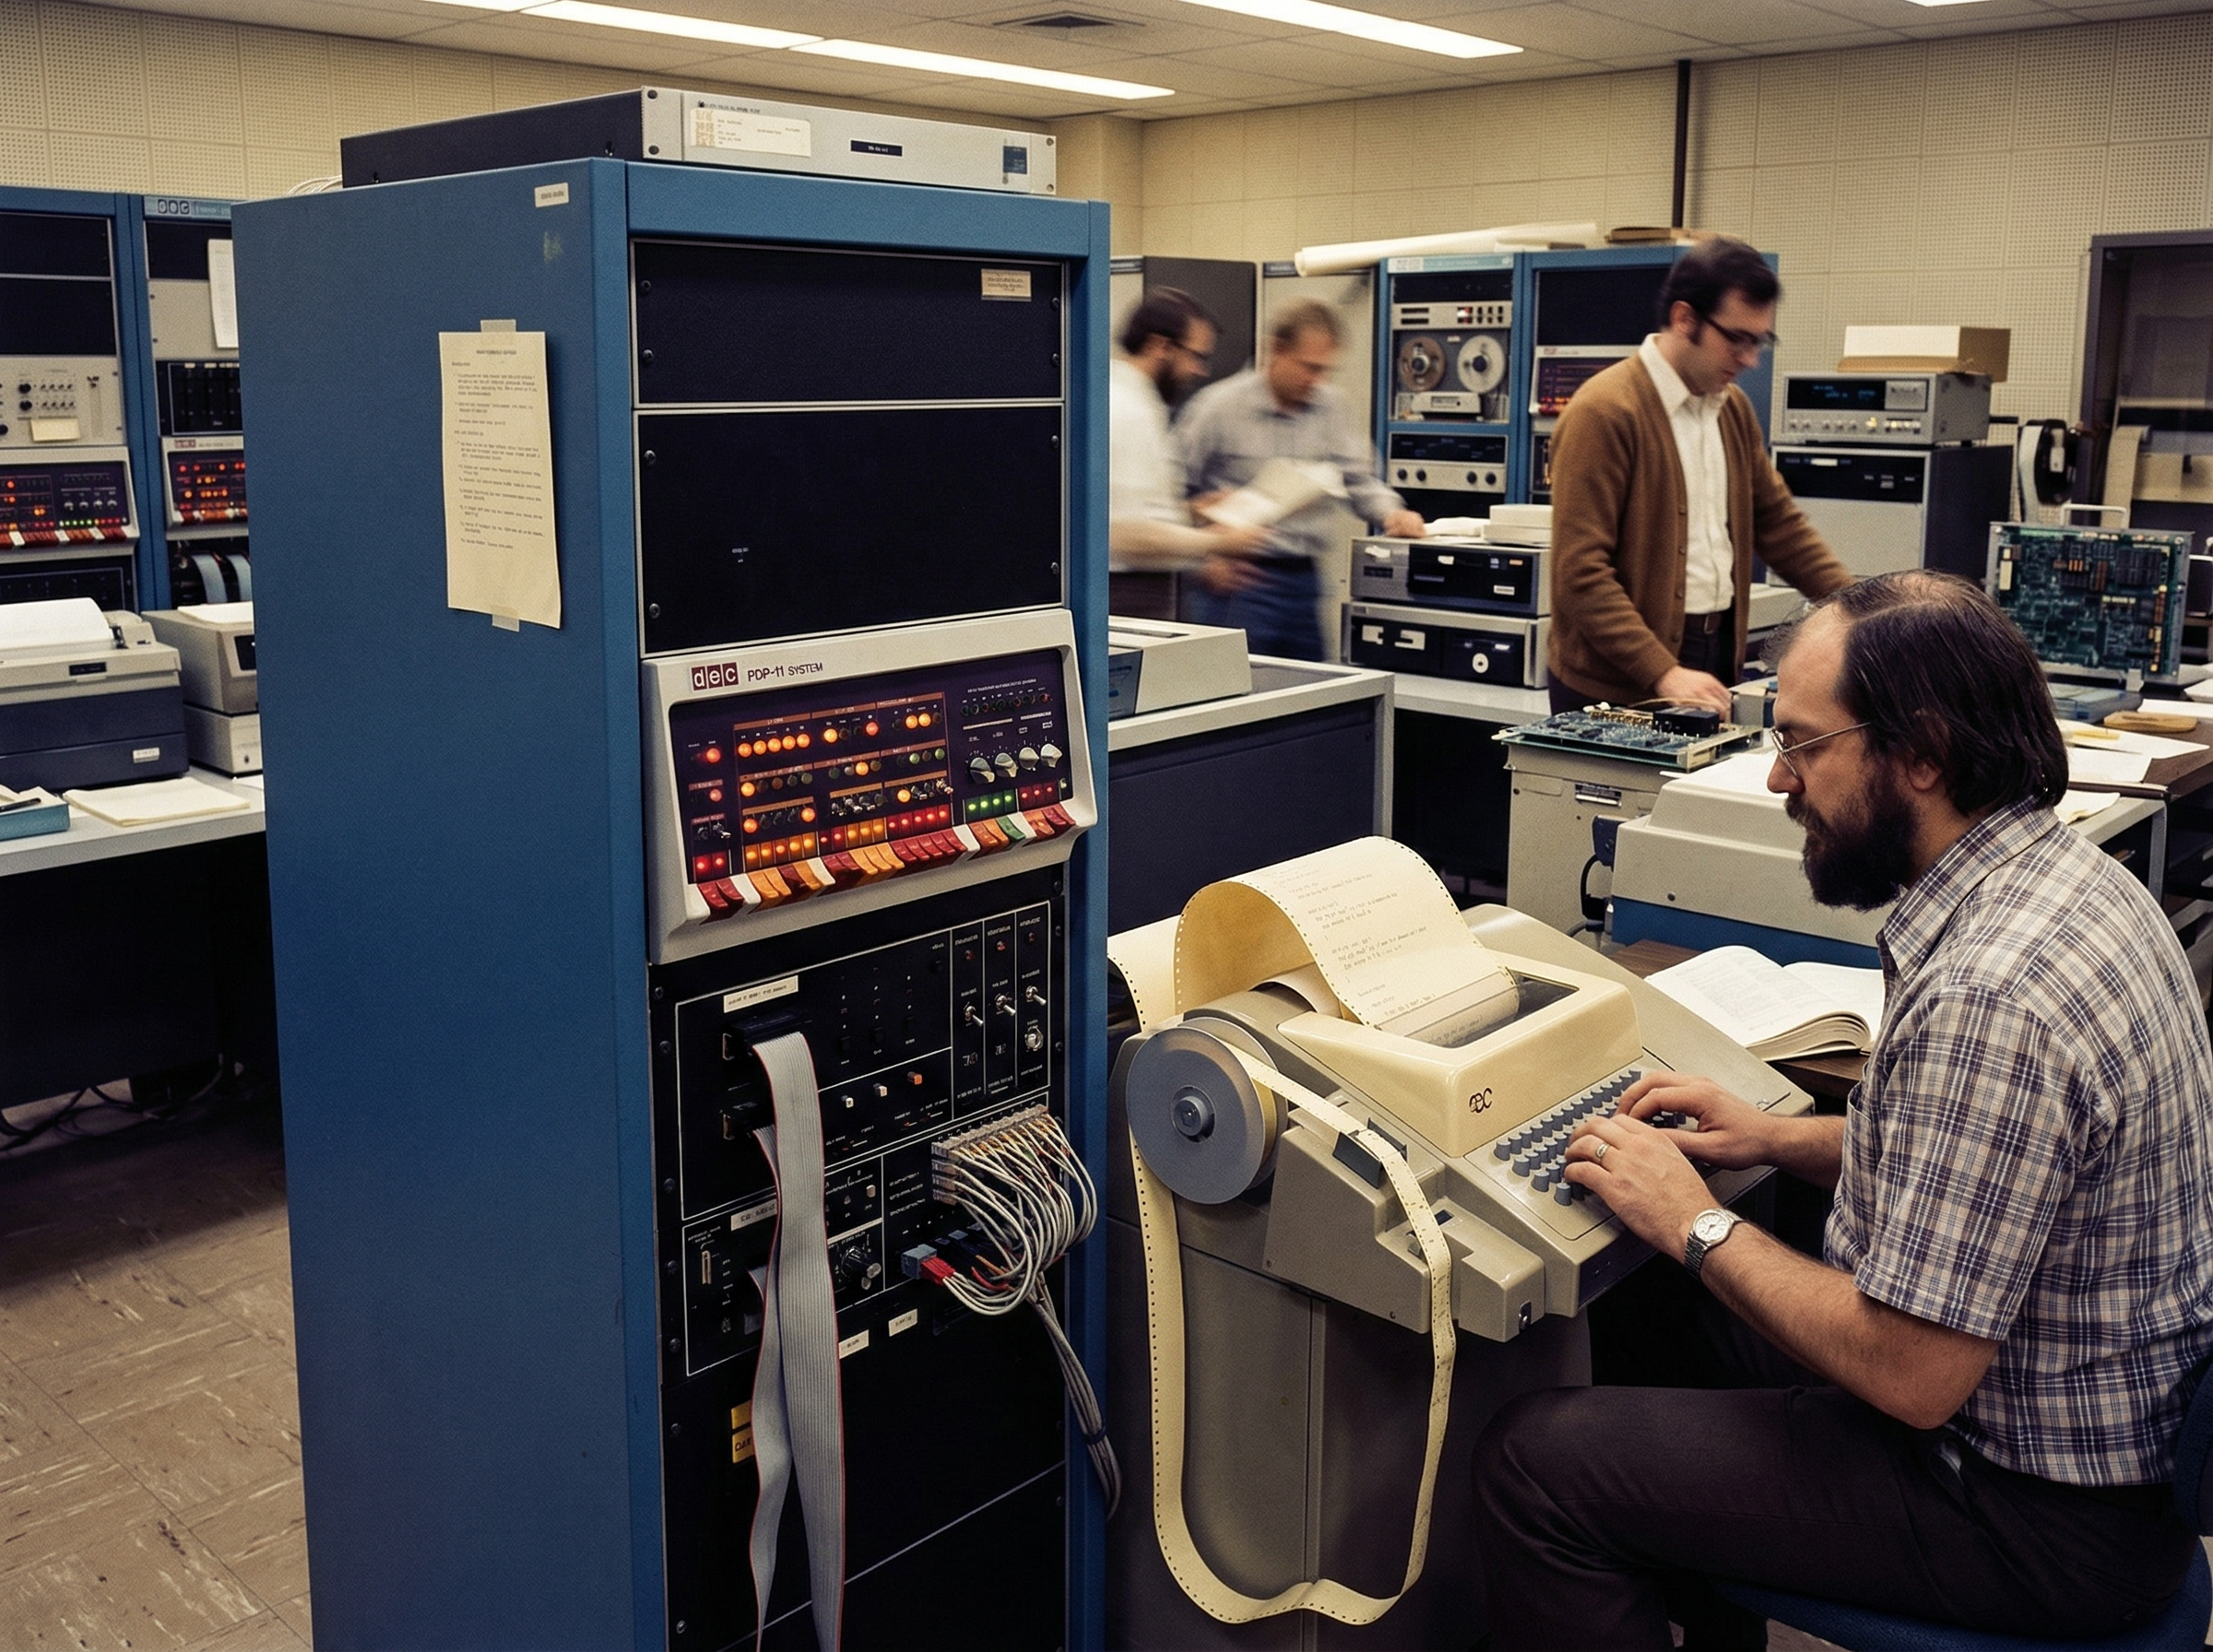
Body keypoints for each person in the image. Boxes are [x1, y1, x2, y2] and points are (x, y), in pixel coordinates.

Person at [1473, 571, 2213, 1650]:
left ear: (1924, 753)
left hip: (2029, 1514)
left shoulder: (1992, 993)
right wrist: (1773, 1138)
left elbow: (1912, 1374)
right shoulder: (2067, 881)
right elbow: (1984, 1177)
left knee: (1536, 1464)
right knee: (1648, 1311)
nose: (1781, 778)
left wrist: (1694, 1218)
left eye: (1802, 744)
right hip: (2069, 1443)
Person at [1547, 237, 1852, 715]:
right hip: (1619, 683)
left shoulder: (1731, 409)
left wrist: (1861, 611)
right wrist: (1663, 672)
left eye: (1759, 341)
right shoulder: (1604, 412)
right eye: (1737, 338)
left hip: (1711, 659)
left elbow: (1778, 524)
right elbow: (1579, 574)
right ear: (1684, 318)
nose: (1750, 359)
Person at [1174, 300, 1424, 660]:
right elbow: (1170, 491)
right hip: (1240, 583)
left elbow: (1359, 480)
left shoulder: (1332, 407)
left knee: (1310, 687)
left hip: (1304, 583)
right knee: (1236, 689)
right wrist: (1202, 561)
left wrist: (1392, 513)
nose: (1318, 381)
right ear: (1277, 350)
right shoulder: (1217, 408)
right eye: (1310, 368)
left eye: (1325, 370)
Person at [1108, 288, 1267, 621]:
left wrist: (1191, 512)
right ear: (1160, 346)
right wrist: (1217, 543)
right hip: (1128, 595)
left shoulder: (1141, 402)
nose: (1201, 371)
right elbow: (1125, 534)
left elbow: (1135, 513)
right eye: (1197, 356)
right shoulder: (1126, 411)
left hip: (1143, 590)